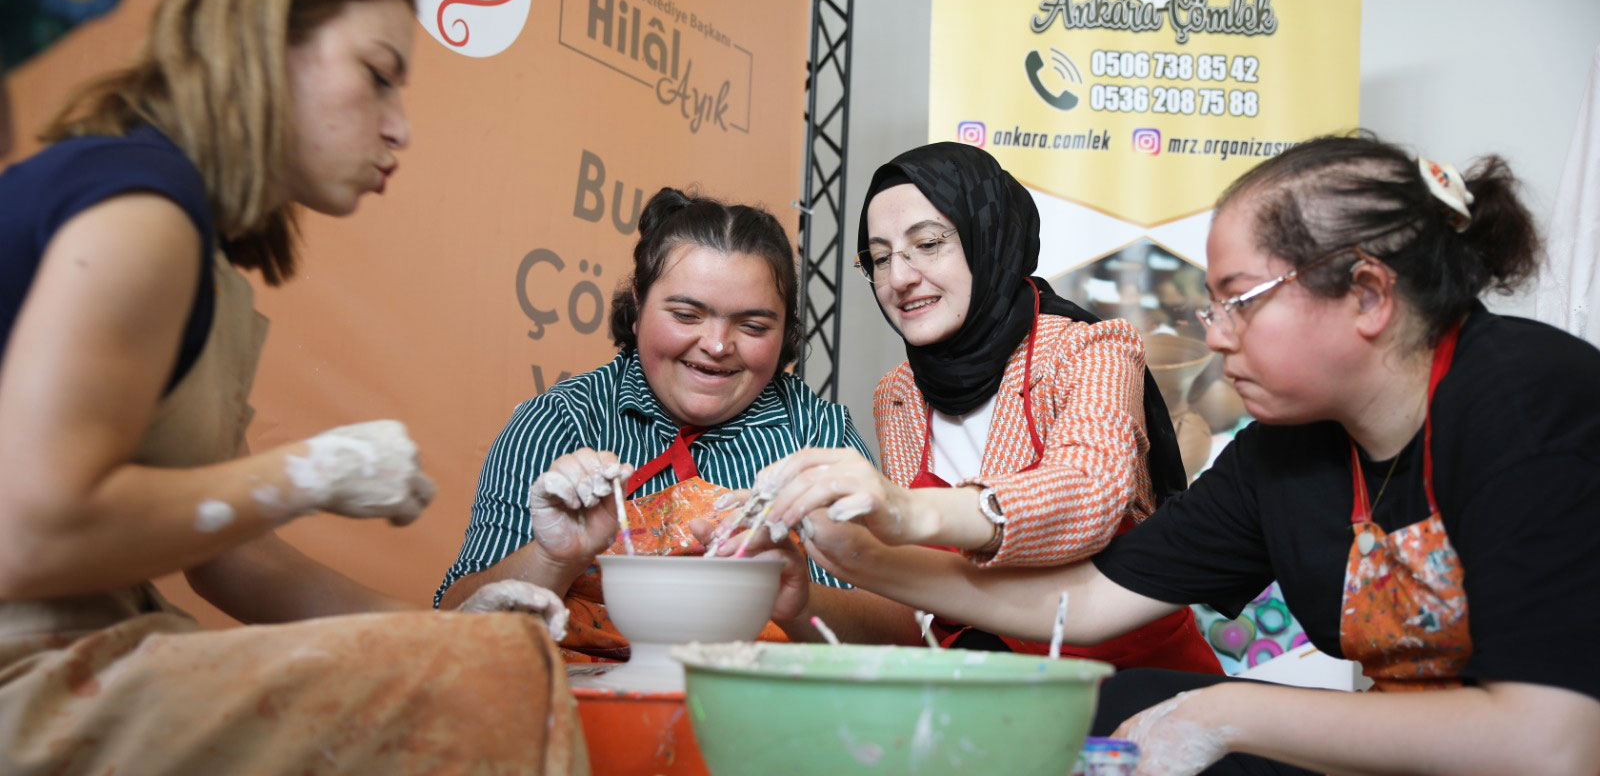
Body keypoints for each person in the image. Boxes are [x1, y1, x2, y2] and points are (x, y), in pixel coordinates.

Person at [771, 134, 1600, 775]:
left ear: (1369, 294)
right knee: (1107, 705)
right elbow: (1087, 602)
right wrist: (863, 557)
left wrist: (1227, 713)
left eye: (1238, 300)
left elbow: (1553, 743)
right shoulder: (1289, 450)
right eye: (880, 259)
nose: (1213, 333)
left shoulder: (1529, 399)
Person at [0, 0, 583, 772]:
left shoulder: (199, 252)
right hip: (23, 666)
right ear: (265, 44)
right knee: (501, 684)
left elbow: (234, 556)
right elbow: (31, 537)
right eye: (377, 76)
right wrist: (309, 472)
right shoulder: (141, 211)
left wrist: (443, 629)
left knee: (487, 658)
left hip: (92, 639)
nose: (400, 127)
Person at [717, 142, 1220, 672]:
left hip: (1134, 693)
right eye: (881, 258)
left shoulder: (1089, 350)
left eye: (928, 244)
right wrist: (807, 595)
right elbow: (932, 616)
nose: (899, 278)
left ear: (990, 237)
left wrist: (904, 512)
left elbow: (1087, 493)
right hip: (993, 696)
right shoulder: (900, 394)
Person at [435, 187, 873, 659]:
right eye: (687, 315)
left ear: (785, 329)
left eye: (753, 326)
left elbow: (900, 627)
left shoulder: (819, 438)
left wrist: (794, 598)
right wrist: (552, 557)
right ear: (640, 302)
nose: (717, 344)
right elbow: (450, 629)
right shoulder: (559, 423)